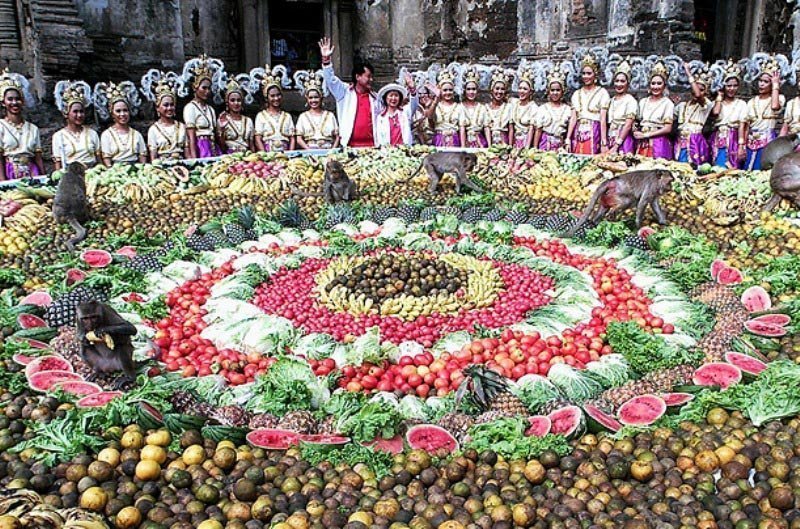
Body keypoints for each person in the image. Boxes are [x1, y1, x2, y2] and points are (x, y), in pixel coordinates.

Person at [318, 37, 381, 148]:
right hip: (350, 146)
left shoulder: (375, 97)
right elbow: (330, 80)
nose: (371, 80)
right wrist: (326, 60)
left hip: (373, 146)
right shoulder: (344, 92)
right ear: (357, 76)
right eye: (368, 76)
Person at [0, 69, 44, 180]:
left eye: (18, 99)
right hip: (9, 172)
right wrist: (2, 183)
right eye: (10, 99)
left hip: (32, 173)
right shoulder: (1, 126)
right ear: (3, 102)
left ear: (23, 101)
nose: (14, 102)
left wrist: (44, 179)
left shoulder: (33, 129)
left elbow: (38, 158)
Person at [744, 56, 785, 170]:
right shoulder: (752, 102)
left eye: (766, 82)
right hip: (751, 140)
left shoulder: (779, 98)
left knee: (762, 169)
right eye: (760, 81)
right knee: (747, 168)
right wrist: (741, 145)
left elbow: (775, 106)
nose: (761, 84)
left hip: (767, 139)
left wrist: (776, 85)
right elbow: (747, 125)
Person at [94, 81, 147, 167]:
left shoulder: (137, 135)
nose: (122, 114)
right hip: (115, 172)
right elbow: (107, 159)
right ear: (112, 113)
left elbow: (142, 157)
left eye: (125, 110)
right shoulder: (107, 135)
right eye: (118, 111)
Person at [51, 80, 100, 171]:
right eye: (75, 112)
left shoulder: (92, 133)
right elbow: (58, 164)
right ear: (66, 113)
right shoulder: (59, 136)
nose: (79, 115)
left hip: (92, 174)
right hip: (70, 176)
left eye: (81, 111)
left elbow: (98, 160)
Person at [567, 53, 610, 154]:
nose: (586, 76)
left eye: (589, 73)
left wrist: (604, 141)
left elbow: (603, 118)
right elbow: (573, 118)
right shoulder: (577, 94)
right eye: (584, 73)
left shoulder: (602, 92)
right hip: (578, 130)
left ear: (595, 74)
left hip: (594, 129)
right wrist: (568, 138)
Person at [141, 72, 187, 161]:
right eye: (166, 105)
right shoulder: (153, 130)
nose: (169, 108)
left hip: (182, 164)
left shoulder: (181, 127)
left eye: (172, 105)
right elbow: (153, 157)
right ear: (158, 108)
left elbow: (187, 151)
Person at [710, 60, 748, 168]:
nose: (732, 89)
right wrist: (719, 97)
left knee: (732, 167)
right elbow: (716, 113)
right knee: (717, 166)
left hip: (733, 138)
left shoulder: (741, 104)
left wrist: (741, 145)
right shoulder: (717, 103)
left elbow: (742, 126)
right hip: (718, 137)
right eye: (728, 86)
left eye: (735, 86)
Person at [182, 55, 220, 159]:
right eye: (203, 88)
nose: (207, 91)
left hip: (212, 147)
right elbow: (191, 136)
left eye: (209, 88)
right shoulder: (190, 108)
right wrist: (195, 158)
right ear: (195, 87)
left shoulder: (210, 109)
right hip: (200, 147)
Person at [674, 63, 713, 166]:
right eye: (696, 87)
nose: (697, 91)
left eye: (702, 89)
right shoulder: (682, 105)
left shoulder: (706, 105)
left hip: (695, 140)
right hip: (681, 140)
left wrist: (688, 73)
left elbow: (698, 95)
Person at [635, 60, 674, 159]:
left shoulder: (667, 103)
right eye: (653, 83)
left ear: (664, 86)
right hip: (642, 142)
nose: (655, 86)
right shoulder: (643, 102)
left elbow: (667, 128)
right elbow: (636, 121)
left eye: (659, 83)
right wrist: (634, 130)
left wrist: (646, 135)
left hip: (659, 142)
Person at [254, 65, 295, 152]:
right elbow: (258, 139)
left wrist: (290, 154)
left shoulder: (287, 116)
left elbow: (292, 138)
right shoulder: (261, 116)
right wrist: (265, 155)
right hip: (268, 153)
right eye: (272, 96)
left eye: (278, 95)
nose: (276, 98)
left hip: (285, 154)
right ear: (266, 97)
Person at [294, 70, 339, 149]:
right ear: (307, 99)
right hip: (309, 154)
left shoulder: (330, 115)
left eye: (316, 97)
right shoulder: (303, 117)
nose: (313, 100)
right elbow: (299, 139)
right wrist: (309, 151)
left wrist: (332, 151)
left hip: (328, 152)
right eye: (310, 98)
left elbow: (337, 137)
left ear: (321, 97)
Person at [533, 65, 572, 151]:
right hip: (545, 144)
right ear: (548, 91)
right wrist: (535, 148)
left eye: (558, 90)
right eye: (552, 90)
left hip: (560, 146)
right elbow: (538, 130)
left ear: (562, 91)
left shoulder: (568, 109)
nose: (555, 93)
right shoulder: (542, 109)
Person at [375, 73, 419, 147]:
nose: (393, 98)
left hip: (405, 151)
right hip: (388, 153)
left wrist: (412, 89)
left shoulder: (405, 112)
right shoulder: (381, 117)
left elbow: (414, 103)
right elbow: (379, 138)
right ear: (386, 98)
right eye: (391, 95)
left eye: (396, 95)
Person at [606, 58, 638, 154]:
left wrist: (617, 144)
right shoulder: (611, 101)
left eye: (622, 81)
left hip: (624, 140)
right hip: (611, 137)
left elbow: (628, 125)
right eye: (617, 81)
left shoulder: (630, 100)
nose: (619, 84)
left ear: (627, 83)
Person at [217, 76, 256, 153]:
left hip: (247, 156)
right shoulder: (222, 120)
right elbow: (221, 146)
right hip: (229, 157)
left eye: (239, 100)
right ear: (227, 103)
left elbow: (251, 144)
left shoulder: (248, 121)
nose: (236, 103)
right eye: (232, 100)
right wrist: (221, 130)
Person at [429, 69, 466, 147]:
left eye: (450, 90)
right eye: (445, 90)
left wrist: (463, 147)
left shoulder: (459, 107)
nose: (448, 92)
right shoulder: (436, 106)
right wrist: (435, 100)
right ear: (440, 91)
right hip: (439, 139)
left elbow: (462, 128)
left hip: (454, 139)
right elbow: (429, 117)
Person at [459, 65, 491, 148]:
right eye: (468, 89)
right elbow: (462, 128)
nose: (471, 92)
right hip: (466, 140)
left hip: (480, 142)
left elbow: (486, 127)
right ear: (465, 90)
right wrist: (463, 147)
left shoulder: (482, 107)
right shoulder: (460, 107)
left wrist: (489, 146)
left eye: (473, 89)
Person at [511, 65, 538, 148]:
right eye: (520, 88)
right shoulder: (514, 103)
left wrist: (526, 148)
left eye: (525, 89)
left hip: (526, 142)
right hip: (515, 141)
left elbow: (531, 129)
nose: (522, 91)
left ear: (530, 92)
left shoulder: (533, 107)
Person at [486, 67, 513, 146]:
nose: (499, 92)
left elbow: (511, 129)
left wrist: (510, 146)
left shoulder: (509, 107)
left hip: (504, 142)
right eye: (497, 89)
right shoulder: (485, 108)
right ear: (492, 90)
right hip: (489, 142)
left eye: (502, 89)